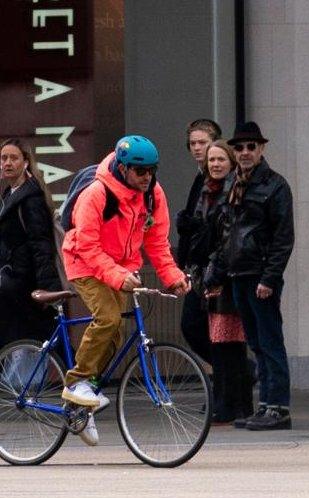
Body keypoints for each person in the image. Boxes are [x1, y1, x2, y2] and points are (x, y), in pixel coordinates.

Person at [60, 135, 190, 445]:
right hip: (85, 263)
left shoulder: (153, 195)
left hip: (120, 267)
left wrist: (173, 276)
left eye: (152, 171)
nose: (147, 178)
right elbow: (88, 247)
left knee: (116, 333)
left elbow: (157, 242)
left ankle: (83, 401)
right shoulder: (97, 194)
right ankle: (76, 382)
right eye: (140, 171)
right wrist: (118, 275)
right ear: (122, 167)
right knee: (108, 319)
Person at [205, 121, 294, 431]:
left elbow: (283, 238)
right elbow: (225, 234)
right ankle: (267, 406)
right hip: (238, 273)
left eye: (250, 147)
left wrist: (269, 279)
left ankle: (278, 407)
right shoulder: (234, 185)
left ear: (261, 149)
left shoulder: (275, 185)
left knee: (269, 342)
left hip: (258, 275)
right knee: (256, 343)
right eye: (240, 147)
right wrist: (216, 273)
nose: (244, 152)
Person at [199, 140, 254, 424]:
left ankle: (232, 405)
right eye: (212, 160)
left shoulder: (233, 191)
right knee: (223, 344)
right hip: (218, 271)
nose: (216, 164)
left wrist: (214, 273)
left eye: (221, 159)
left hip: (227, 275)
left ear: (231, 162)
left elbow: (227, 237)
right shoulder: (207, 191)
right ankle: (233, 404)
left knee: (229, 345)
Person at [0, 139, 62, 347]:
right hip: (15, 282)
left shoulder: (30, 198)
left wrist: (48, 290)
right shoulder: (10, 194)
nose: (7, 163)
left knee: (35, 340)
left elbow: (41, 245)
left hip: (26, 286)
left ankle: (78, 377)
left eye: (14, 158)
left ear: (26, 162)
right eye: (3, 158)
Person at [176, 119, 222, 364]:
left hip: (211, 267)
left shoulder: (217, 178)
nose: (196, 148)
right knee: (198, 328)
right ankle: (231, 377)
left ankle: (238, 373)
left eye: (202, 142)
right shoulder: (200, 177)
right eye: (192, 143)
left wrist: (191, 224)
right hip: (199, 267)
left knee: (200, 327)